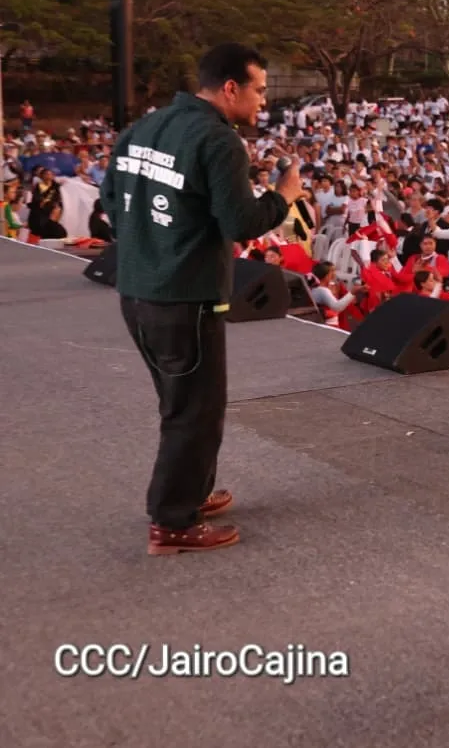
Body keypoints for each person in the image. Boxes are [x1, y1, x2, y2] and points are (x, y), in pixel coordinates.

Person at [99, 43, 303, 556]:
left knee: (181, 401)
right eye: (259, 90)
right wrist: (286, 196)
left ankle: (192, 491)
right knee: (195, 410)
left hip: (137, 290)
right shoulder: (219, 141)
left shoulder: (143, 128)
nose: (263, 102)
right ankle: (172, 521)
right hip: (185, 297)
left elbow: (108, 200)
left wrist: (153, 243)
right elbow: (242, 224)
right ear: (230, 87)